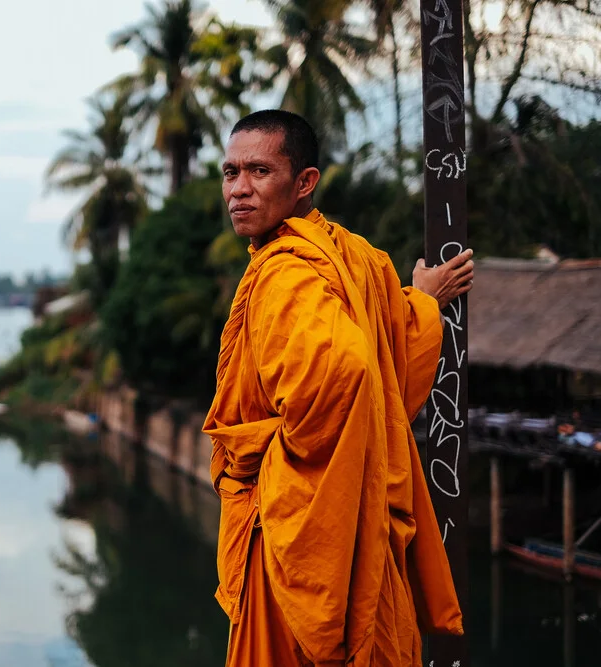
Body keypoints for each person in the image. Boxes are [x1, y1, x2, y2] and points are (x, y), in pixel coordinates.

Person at [203, 110, 470, 666]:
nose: (239, 190)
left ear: (304, 182)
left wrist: (267, 456)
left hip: (292, 532)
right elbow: (387, 345)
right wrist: (422, 301)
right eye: (230, 173)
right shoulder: (352, 255)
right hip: (354, 524)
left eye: (259, 171)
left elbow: (346, 371)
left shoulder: (285, 273)